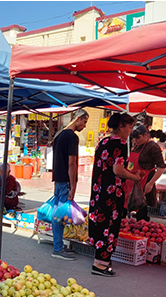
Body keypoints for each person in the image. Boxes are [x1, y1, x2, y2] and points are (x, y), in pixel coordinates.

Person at [88, 113, 141, 277]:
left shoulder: (103, 141)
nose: (131, 131)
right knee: (109, 226)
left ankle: (101, 261)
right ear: (121, 126)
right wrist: (134, 177)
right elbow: (117, 170)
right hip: (111, 193)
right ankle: (100, 265)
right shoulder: (120, 143)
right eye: (130, 127)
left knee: (100, 224)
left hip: (99, 191)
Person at [51, 108, 90, 261]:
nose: (85, 126)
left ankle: (58, 245)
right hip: (65, 180)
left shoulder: (59, 134)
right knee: (59, 215)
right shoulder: (72, 137)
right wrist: (73, 186)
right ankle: (58, 248)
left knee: (59, 213)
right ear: (78, 118)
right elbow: (71, 163)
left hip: (58, 179)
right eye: (85, 121)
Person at [127, 125, 166, 221]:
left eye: (138, 138)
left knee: (141, 212)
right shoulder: (136, 146)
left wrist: (151, 183)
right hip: (132, 182)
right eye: (134, 138)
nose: (136, 140)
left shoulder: (153, 146)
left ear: (145, 135)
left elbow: (161, 167)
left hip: (145, 182)